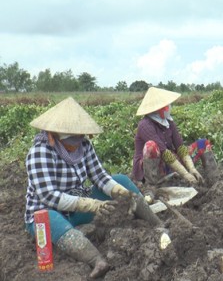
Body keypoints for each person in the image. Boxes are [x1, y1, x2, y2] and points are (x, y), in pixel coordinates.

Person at [25, 97, 168, 279]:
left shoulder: (84, 146)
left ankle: (158, 224)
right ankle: (96, 260)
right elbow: (48, 196)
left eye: (79, 136)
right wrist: (91, 205)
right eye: (71, 138)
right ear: (54, 135)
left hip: (76, 204)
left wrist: (120, 193)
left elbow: (100, 176)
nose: (76, 142)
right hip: (46, 210)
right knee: (48, 217)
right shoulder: (40, 152)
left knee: (121, 180)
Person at [132, 87, 218, 187]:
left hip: (169, 162)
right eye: (166, 105)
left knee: (203, 144)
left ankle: (214, 181)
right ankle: (152, 186)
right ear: (159, 108)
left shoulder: (168, 121)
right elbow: (164, 153)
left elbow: (180, 147)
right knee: (151, 146)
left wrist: (191, 168)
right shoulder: (145, 125)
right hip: (155, 166)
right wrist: (185, 174)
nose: (169, 107)